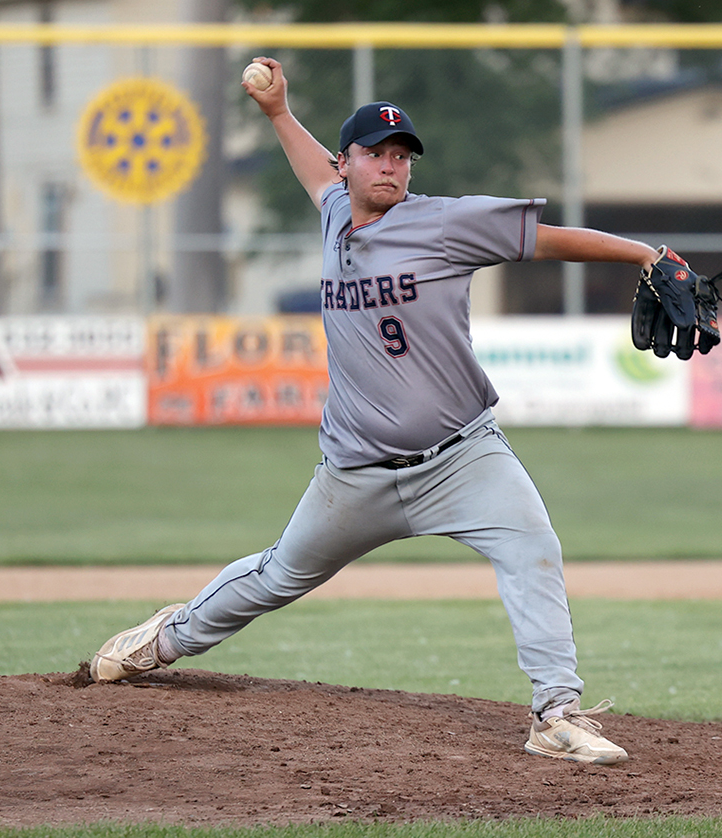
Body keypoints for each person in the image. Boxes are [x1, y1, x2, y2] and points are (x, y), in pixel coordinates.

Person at [91, 57, 664, 765]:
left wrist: (644, 256)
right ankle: (163, 640)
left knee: (532, 549)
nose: (392, 167)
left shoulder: (448, 225)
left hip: (463, 458)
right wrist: (276, 113)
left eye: (402, 157)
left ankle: (556, 714)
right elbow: (309, 169)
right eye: (377, 154)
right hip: (355, 475)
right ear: (348, 165)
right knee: (276, 577)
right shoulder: (335, 210)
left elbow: (547, 241)